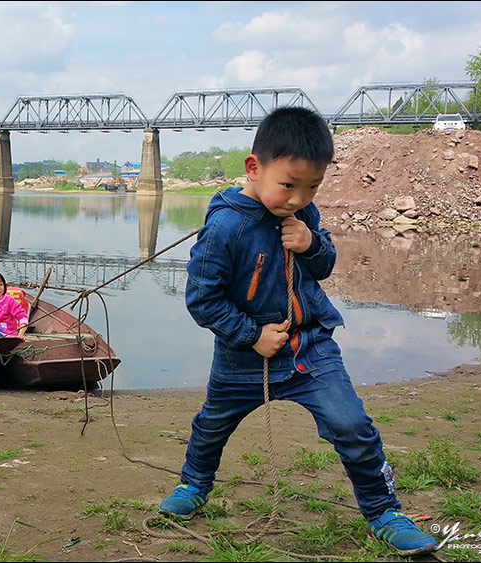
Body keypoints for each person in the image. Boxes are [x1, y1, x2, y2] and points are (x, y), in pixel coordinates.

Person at [158, 107, 437, 556]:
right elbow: (201, 300)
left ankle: (383, 511)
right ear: (255, 167)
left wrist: (311, 244)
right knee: (212, 426)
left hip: (310, 347)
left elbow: (324, 266)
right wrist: (252, 335)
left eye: (312, 187)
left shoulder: (304, 214)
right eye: (288, 185)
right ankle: (193, 484)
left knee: (352, 425)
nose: (298, 198)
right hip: (243, 357)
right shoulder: (226, 226)